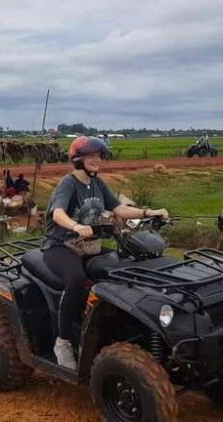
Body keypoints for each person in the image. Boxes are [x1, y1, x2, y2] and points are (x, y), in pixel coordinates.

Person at [43, 136, 169, 369]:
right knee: (76, 279)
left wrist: (149, 212)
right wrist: (76, 226)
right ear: (78, 159)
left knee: (125, 268)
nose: (96, 160)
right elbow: (57, 214)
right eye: (91, 156)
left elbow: (119, 208)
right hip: (60, 246)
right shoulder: (68, 184)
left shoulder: (98, 184)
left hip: (89, 246)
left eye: (99, 156)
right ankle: (63, 342)